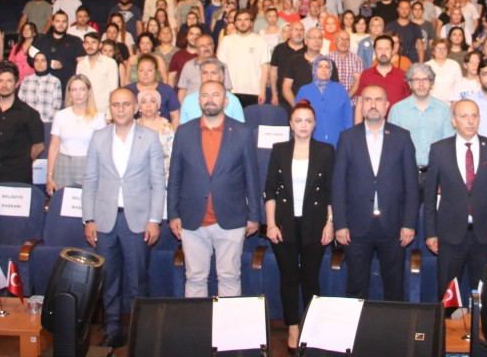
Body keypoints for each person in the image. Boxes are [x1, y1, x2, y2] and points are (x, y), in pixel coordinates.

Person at [82, 88, 166, 349]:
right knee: (109, 279)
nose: (120, 109)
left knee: (138, 279)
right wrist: (88, 219)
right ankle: (114, 329)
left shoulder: (150, 138)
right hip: (105, 220)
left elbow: (157, 181)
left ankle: (142, 332)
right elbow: (90, 180)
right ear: (110, 108)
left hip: (138, 221)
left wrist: (155, 219)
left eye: (126, 104)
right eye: (116, 104)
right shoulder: (98, 138)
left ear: (135, 108)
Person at [167, 80, 262, 297]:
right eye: (205, 95)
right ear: (198, 100)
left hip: (232, 218)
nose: (210, 99)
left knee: (229, 277)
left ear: (226, 100)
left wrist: (254, 215)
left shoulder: (242, 132)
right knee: (194, 278)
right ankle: (198, 331)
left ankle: (226, 331)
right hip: (192, 219)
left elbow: (251, 177)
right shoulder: (183, 132)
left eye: (216, 94)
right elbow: (175, 177)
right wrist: (173, 214)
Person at [332, 84, 419, 301]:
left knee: (394, 288)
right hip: (355, 227)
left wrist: (409, 223)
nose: (373, 104)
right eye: (368, 100)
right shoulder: (347, 138)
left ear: (387, 105)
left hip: (394, 227)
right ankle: (357, 333)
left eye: (378, 100)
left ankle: (393, 334)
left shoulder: (402, 137)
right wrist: (340, 224)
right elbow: (338, 184)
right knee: (356, 287)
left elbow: (411, 184)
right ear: (360, 105)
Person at [423, 98, 487, 312]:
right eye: (464, 116)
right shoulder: (439, 150)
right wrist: (430, 233)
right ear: (453, 121)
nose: (470, 121)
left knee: (482, 294)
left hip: (484, 235)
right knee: (447, 294)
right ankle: (447, 339)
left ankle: (478, 340)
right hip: (449, 235)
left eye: (474, 116)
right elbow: (430, 196)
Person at [264, 101, 335, 351]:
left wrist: (330, 223)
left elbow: (330, 192)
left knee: (311, 278)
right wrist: (270, 224)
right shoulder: (279, 149)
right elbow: (270, 190)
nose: (303, 125)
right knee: (288, 277)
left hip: (315, 223)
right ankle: (293, 326)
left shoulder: (326, 151)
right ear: (291, 124)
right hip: (284, 223)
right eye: (298, 120)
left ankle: (311, 325)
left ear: (314, 124)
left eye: (308, 121)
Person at [0, 65, 45, 186]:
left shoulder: (30, 114)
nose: (4, 85)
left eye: (9, 81)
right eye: (0, 81)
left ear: (16, 84)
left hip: (18, 178)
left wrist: (22, 163)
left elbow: (38, 146)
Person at [388, 63, 453, 185]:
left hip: (436, 174)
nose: (421, 84)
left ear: (432, 83)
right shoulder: (397, 110)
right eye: (416, 80)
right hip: (405, 174)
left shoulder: (444, 109)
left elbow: (449, 146)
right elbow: (391, 147)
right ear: (409, 83)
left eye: (425, 79)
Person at [46, 75, 107, 194]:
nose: (78, 94)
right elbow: (54, 147)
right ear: (69, 93)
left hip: (88, 165)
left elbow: (103, 150)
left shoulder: (99, 117)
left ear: (89, 92)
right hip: (63, 165)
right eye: (74, 90)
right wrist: (49, 176)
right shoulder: (60, 115)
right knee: (62, 203)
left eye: (82, 89)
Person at [216, 10, 271, 108]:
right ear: (235, 23)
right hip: (231, 90)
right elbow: (220, 68)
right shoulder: (226, 41)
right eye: (239, 20)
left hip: (254, 91)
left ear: (251, 22)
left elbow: (265, 67)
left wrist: (262, 91)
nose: (243, 23)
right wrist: (222, 89)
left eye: (246, 19)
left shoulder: (260, 41)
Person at [294, 56, 352, 147]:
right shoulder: (304, 90)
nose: (323, 70)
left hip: (338, 141)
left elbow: (348, 117)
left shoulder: (340, 89)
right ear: (314, 69)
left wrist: (348, 140)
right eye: (320, 66)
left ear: (331, 71)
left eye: (327, 67)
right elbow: (297, 117)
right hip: (312, 142)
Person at [34, 12, 85, 101]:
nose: (61, 24)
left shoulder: (76, 41)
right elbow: (30, 58)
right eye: (58, 21)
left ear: (67, 23)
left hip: (68, 91)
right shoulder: (41, 40)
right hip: (45, 90)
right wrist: (50, 63)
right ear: (52, 23)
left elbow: (83, 66)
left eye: (64, 21)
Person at [19, 51, 63, 123]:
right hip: (28, 123)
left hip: (48, 123)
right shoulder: (26, 80)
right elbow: (21, 103)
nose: (39, 64)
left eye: (43, 60)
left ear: (48, 62)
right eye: (36, 61)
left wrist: (45, 122)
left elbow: (56, 106)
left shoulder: (55, 81)